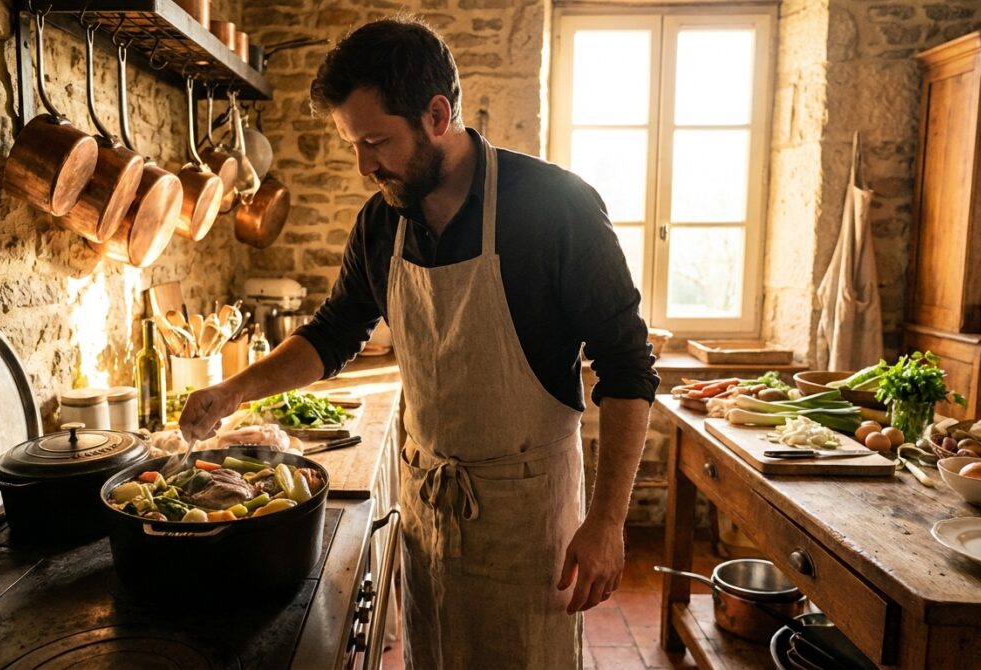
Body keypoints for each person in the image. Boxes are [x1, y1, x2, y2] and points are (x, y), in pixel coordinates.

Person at [180, 16, 658, 669]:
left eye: (376, 141)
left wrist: (605, 522)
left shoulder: (556, 207)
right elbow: (332, 334)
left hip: (527, 517)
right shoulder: (382, 223)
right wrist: (233, 391)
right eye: (354, 143)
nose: (363, 165)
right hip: (431, 506)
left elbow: (628, 365)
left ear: (437, 115)